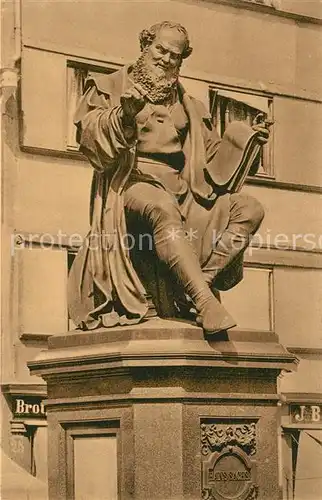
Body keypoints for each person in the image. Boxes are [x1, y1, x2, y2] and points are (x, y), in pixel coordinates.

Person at [68, 21, 269, 334]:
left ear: (181, 60)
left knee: (250, 208)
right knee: (160, 205)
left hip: (186, 191)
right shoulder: (107, 86)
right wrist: (123, 116)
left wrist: (247, 143)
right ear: (145, 46)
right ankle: (204, 301)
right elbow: (91, 139)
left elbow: (215, 163)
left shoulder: (190, 105)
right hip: (131, 185)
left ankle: (201, 282)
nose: (165, 59)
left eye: (174, 55)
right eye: (160, 49)